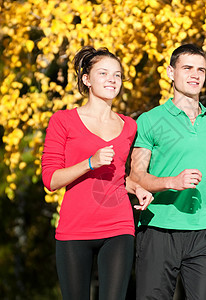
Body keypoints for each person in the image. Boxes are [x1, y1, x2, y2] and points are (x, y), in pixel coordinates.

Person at [129, 44, 206, 300]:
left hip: (204, 231)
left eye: (201, 69)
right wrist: (173, 181)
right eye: (187, 68)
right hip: (159, 227)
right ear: (171, 72)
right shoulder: (150, 120)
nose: (195, 75)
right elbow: (136, 176)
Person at [41, 46, 153, 300]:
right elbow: (51, 180)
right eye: (103, 73)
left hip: (118, 226)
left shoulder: (129, 126)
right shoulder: (63, 120)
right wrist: (89, 163)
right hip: (74, 228)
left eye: (117, 75)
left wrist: (137, 188)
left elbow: (117, 178)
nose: (112, 80)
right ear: (87, 79)